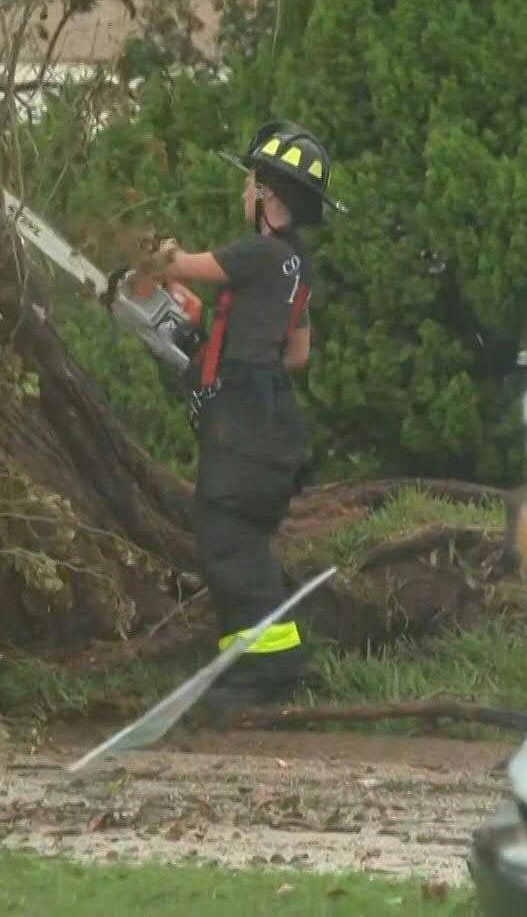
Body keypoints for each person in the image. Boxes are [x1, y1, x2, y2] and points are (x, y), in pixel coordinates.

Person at [145, 120, 343, 723]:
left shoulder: (259, 251)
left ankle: (272, 667)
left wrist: (155, 255)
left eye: (250, 183)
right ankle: (242, 671)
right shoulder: (297, 267)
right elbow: (297, 353)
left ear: (269, 196)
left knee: (231, 546)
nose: (243, 193)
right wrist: (223, 334)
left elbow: (183, 266)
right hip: (270, 424)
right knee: (230, 542)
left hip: (245, 429)